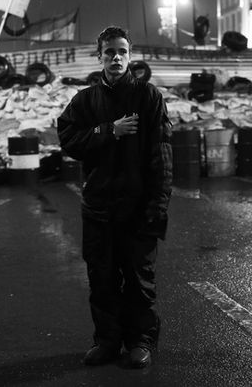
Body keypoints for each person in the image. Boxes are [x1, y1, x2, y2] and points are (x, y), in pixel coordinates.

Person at [57, 26, 172, 369]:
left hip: (138, 208)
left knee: (139, 281)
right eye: (109, 52)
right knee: (102, 279)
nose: (116, 58)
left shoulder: (148, 97)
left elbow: (162, 154)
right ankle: (107, 341)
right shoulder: (85, 100)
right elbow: (69, 140)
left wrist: (158, 204)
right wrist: (109, 131)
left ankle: (140, 342)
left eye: (122, 51)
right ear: (100, 56)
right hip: (99, 209)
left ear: (130, 56)